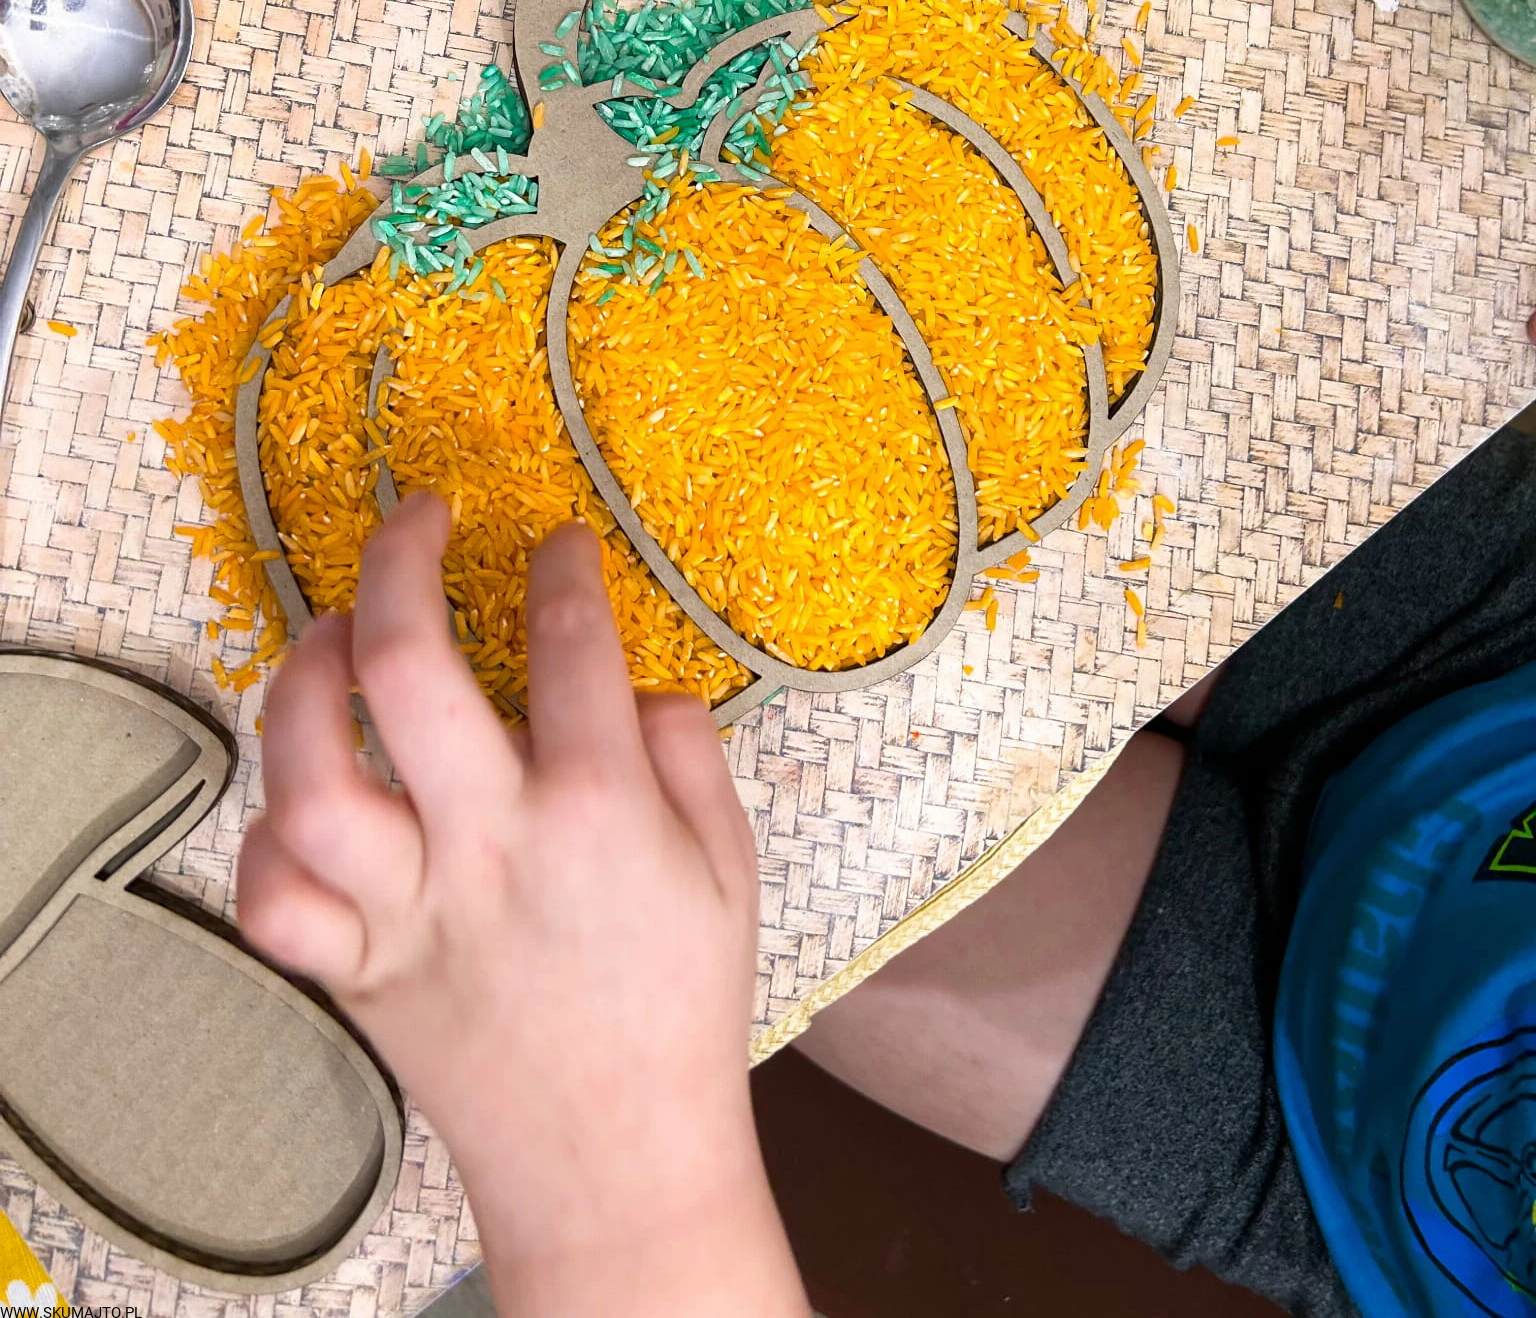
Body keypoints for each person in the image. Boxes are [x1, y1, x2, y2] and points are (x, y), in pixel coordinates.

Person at [240, 412, 1536, 1318]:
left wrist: (617, 1196)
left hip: (1350, 1174)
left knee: (710, 792)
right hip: (1505, 669)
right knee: (928, 453)